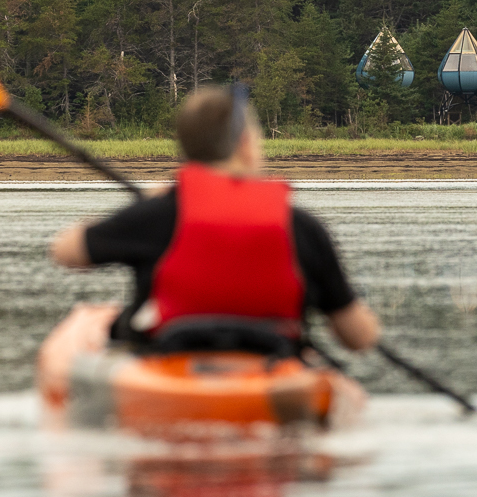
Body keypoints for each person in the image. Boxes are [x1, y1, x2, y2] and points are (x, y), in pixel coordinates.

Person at [49, 85, 381, 355]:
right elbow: (358, 337)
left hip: (174, 363)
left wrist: (144, 208)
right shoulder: (302, 227)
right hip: (273, 365)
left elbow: (67, 252)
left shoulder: (160, 215)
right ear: (245, 145)